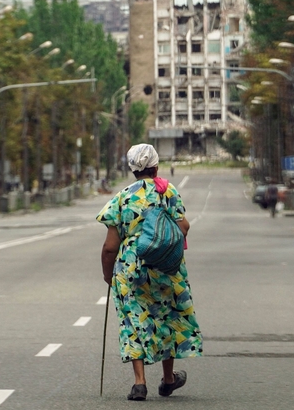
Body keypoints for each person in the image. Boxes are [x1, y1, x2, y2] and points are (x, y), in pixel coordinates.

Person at [96, 143, 203, 401]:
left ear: (132, 169)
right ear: (156, 166)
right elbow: (184, 227)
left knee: (134, 321)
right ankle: (168, 379)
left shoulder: (121, 198)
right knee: (167, 318)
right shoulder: (167, 192)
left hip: (131, 268)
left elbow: (110, 247)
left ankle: (139, 383)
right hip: (165, 267)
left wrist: (108, 275)